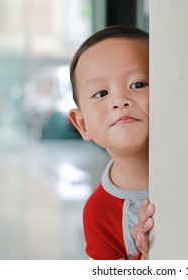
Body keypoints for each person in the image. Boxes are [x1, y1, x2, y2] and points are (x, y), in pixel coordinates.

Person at [68, 25, 154, 260]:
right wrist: (147, 258)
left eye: (137, 84)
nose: (119, 101)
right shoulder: (98, 213)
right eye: (101, 93)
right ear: (82, 124)